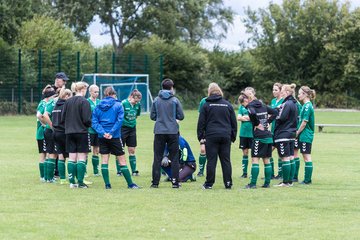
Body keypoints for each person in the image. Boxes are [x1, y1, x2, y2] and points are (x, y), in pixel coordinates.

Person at [92, 86, 139, 189]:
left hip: (102, 137)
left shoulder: (97, 106)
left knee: (104, 160)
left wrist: (103, 133)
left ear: (105, 95)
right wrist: (111, 132)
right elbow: (120, 120)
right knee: (122, 160)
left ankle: (107, 185)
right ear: (113, 95)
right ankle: (130, 184)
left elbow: (94, 122)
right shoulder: (118, 105)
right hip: (115, 137)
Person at [197, 83, 237, 190]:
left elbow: (201, 122)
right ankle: (228, 183)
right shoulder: (227, 104)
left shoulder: (206, 105)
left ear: (209, 92)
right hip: (225, 136)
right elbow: (234, 122)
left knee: (211, 160)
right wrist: (233, 136)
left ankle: (209, 184)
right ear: (220, 92)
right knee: (226, 160)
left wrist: (201, 137)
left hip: (211, 136)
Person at [239, 87, 277, 189]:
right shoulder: (262, 105)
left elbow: (252, 113)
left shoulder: (250, 106)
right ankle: (267, 183)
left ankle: (252, 184)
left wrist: (256, 124)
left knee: (255, 159)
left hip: (259, 136)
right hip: (268, 136)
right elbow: (275, 112)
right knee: (266, 160)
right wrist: (267, 122)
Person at [150, 78, 184, 188]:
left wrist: (161, 119)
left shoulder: (156, 100)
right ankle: (175, 182)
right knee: (174, 157)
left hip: (159, 131)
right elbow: (181, 116)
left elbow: (152, 116)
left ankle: (155, 183)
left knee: (157, 157)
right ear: (171, 88)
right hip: (173, 131)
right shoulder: (175, 100)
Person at [61, 82, 92, 188]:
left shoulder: (68, 101)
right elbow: (87, 119)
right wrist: (89, 124)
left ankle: (72, 182)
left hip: (69, 133)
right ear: (83, 89)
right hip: (82, 132)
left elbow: (62, 118)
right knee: (82, 157)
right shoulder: (85, 102)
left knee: (71, 157)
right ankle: (80, 182)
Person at [273, 84, 298, 187]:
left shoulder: (287, 104)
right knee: (291, 157)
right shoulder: (294, 103)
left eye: (282, 91)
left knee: (285, 158)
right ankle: (290, 181)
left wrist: (275, 115)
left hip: (284, 133)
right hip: (292, 133)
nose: (281, 93)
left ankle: (286, 182)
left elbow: (281, 118)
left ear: (287, 92)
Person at [36, 85, 57, 182]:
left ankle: (46, 176)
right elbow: (39, 115)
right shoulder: (44, 103)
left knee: (47, 153)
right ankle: (43, 177)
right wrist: (45, 124)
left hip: (43, 132)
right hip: (42, 133)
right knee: (44, 154)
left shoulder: (47, 102)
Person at [52, 88, 73, 184]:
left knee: (61, 156)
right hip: (64, 133)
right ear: (66, 96)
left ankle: (63, 179)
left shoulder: (56, 105)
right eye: (70, 96)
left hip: (56, 132)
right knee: (71, 156)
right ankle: (72, 178)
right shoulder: (66, 105)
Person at [296, 86, 316, 185]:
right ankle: (307, 179)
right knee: (305, 156)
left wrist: (297, 133)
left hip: (306, 135)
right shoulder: (305, 105)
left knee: (307, 157)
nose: (298, 95)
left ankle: (307, 180)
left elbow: (304, 122)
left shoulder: (307, 106)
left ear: (305, 94)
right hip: (304, 135)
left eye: (299, 93)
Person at [121, 89, 142, 176]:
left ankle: (134, 171)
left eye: (137, 101)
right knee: (120, 150)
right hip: (122, 128)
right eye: (134, 101)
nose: (135, 103)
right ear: (130, 97)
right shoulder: (123, 103)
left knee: (132, 149)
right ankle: (120, 170)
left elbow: (136, 115)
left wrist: (131, 123)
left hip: (132, 129)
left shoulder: (138, 105)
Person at [270, 82, 284, 179]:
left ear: (280, 91)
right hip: (272, 130)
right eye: (273, 89)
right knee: (268, 151)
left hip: (280, 130)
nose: (274, 91)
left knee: (280, 153)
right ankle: (271, 173)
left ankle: (280, 174)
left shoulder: (283, 101)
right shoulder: (273, 101)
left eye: (276, 90)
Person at [237, 97, 253, 178]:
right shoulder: (241, 107)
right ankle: (244, 173)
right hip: (243, 133)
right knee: (245, 153)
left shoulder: (253, 106)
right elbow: (238, 117)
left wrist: (246, 118)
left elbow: (255, 118)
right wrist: (248, 118)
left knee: (254, 154)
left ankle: (253, 173)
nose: (246, 101)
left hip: (252, 134)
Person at [87, 84, 101, 176]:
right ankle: (84, 171)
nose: (97, 93)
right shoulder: (86, 102)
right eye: (95, 92)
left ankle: (96, 171)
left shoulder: (100, 102)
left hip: (98, 130)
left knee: (96, 150)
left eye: (98, 92)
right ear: (90, 92)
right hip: (89, 130)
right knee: (86, 151)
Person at [196, 97, 207, 177]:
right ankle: (201, 171)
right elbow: (200, 115)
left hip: (213, 129)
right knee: (203, 149)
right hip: (204, 129)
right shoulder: (203, 101)